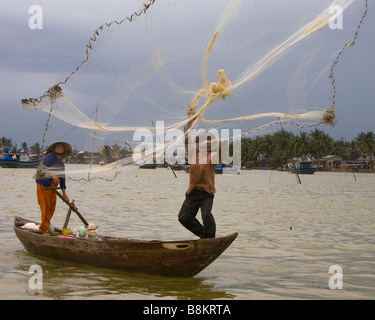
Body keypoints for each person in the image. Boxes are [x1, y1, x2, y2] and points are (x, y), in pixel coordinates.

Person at [178, 130, 220, 239]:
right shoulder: (192, 153)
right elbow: (187, 141)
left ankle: (210, 239)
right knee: (184, 218)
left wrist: (221, 145)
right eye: (204, 140)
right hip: (193, 192)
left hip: (206, 193)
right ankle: (204, 236)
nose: (206, 142)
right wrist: (188, 128)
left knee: (206, 214)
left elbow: (219, 154)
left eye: (209, 140)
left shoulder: (213, 156)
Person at [35, 142, 71, 235]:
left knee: (52, 207)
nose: (59, 149)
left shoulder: (61, 164)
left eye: (61, 147)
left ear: (64, 150)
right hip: (44, 184)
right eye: (57, 147)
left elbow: (62, 179)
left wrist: (64, 193)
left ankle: (46, 224)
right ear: (54, 149)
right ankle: (44, 228)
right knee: (45, 206)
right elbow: (43, 166)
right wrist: (52, 174)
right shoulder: (50, 156)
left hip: (53, 187)